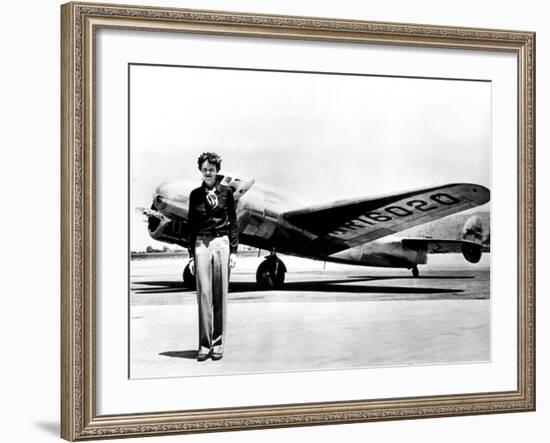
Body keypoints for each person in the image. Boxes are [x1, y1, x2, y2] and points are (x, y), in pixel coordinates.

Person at [187, 152, 238, 362]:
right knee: (204, 297)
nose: (208, 172)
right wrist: (191, 255)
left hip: (221, 243)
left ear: (217, 170)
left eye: (212, 169)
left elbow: (233, 223)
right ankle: (204, 345)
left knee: (220, 297)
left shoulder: (227, 193)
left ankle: (218, 345)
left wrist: (234, 251)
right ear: (200, 170)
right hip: (201, 243)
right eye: (205, 169)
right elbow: (190, 226)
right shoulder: (195, 195)